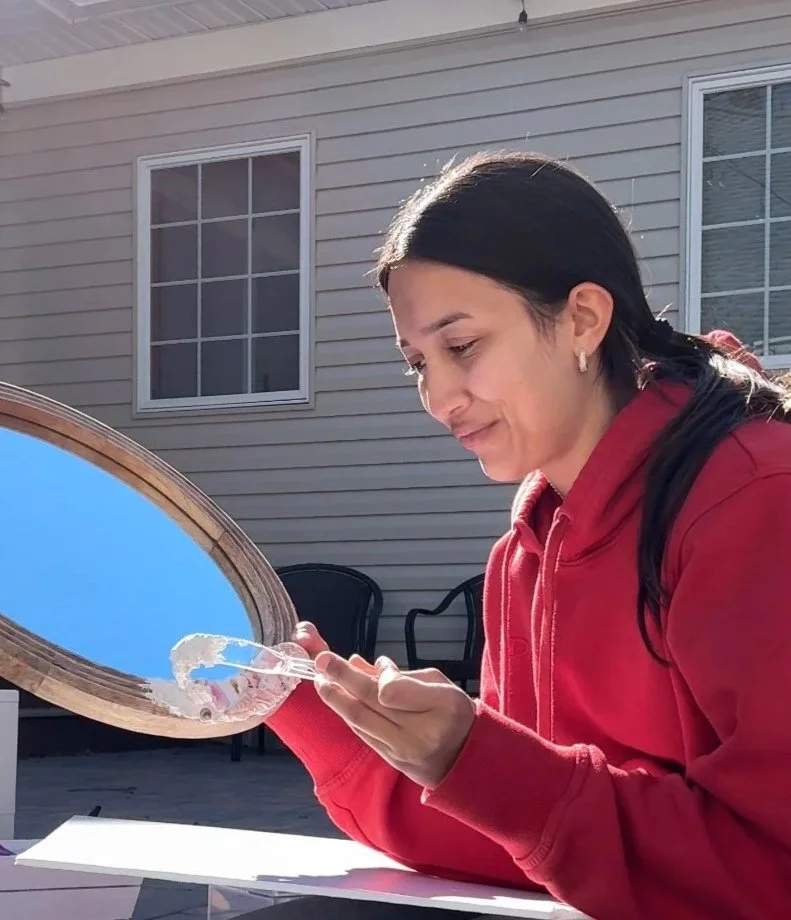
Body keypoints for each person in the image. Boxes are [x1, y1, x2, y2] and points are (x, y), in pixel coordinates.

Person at [231, 152, 791, 919]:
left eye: (460, 347)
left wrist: (477, 758)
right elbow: (532, 840)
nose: (439, 398)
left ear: (582, 319)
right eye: (416, 364)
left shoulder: (754, 500)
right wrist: (304, 698)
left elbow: (768, 866)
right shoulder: (522, 558)